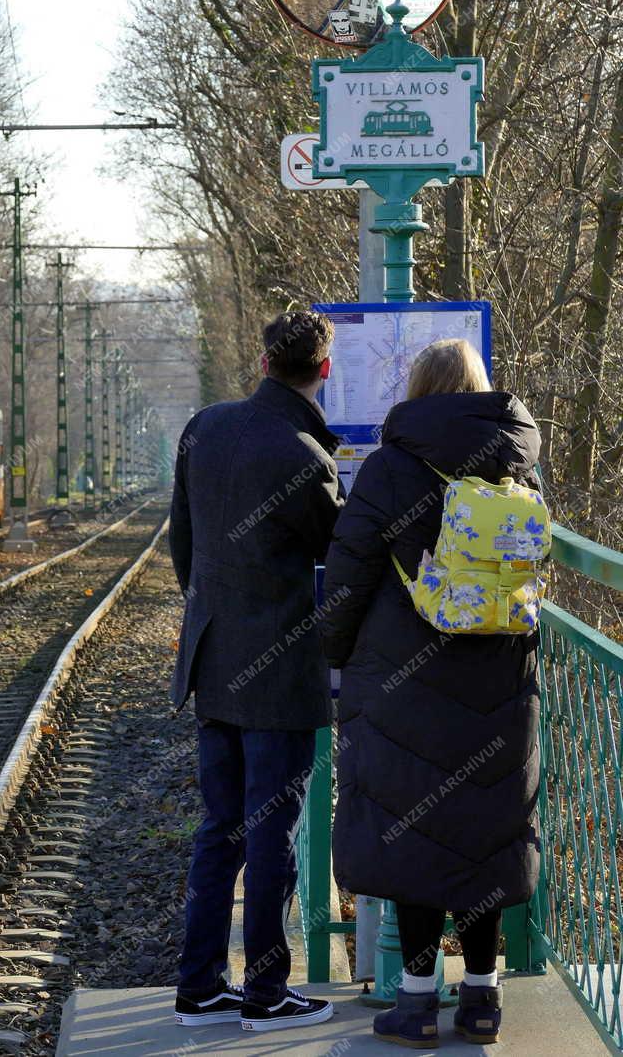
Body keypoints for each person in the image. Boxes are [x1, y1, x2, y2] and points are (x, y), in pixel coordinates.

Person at [320, 339, 543, 1048]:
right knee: (482, 833)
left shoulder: (390, 467)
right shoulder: (519, 466)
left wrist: (332, 659)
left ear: (418, 389)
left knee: (412, 831)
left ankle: (416, 1003)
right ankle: (482, 998)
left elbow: (350, 569)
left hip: (402, 677)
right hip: (500, 676)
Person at [169, 309, 343, 1032]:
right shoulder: (307, 456)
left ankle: (202, 985)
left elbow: (183, 547)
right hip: (279, 673)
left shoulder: (204, 428)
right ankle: (267, 993)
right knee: (273, 830)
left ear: (264, 361)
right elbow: (343, 561)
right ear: (323, 370)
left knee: (222, 827)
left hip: (213, 659)